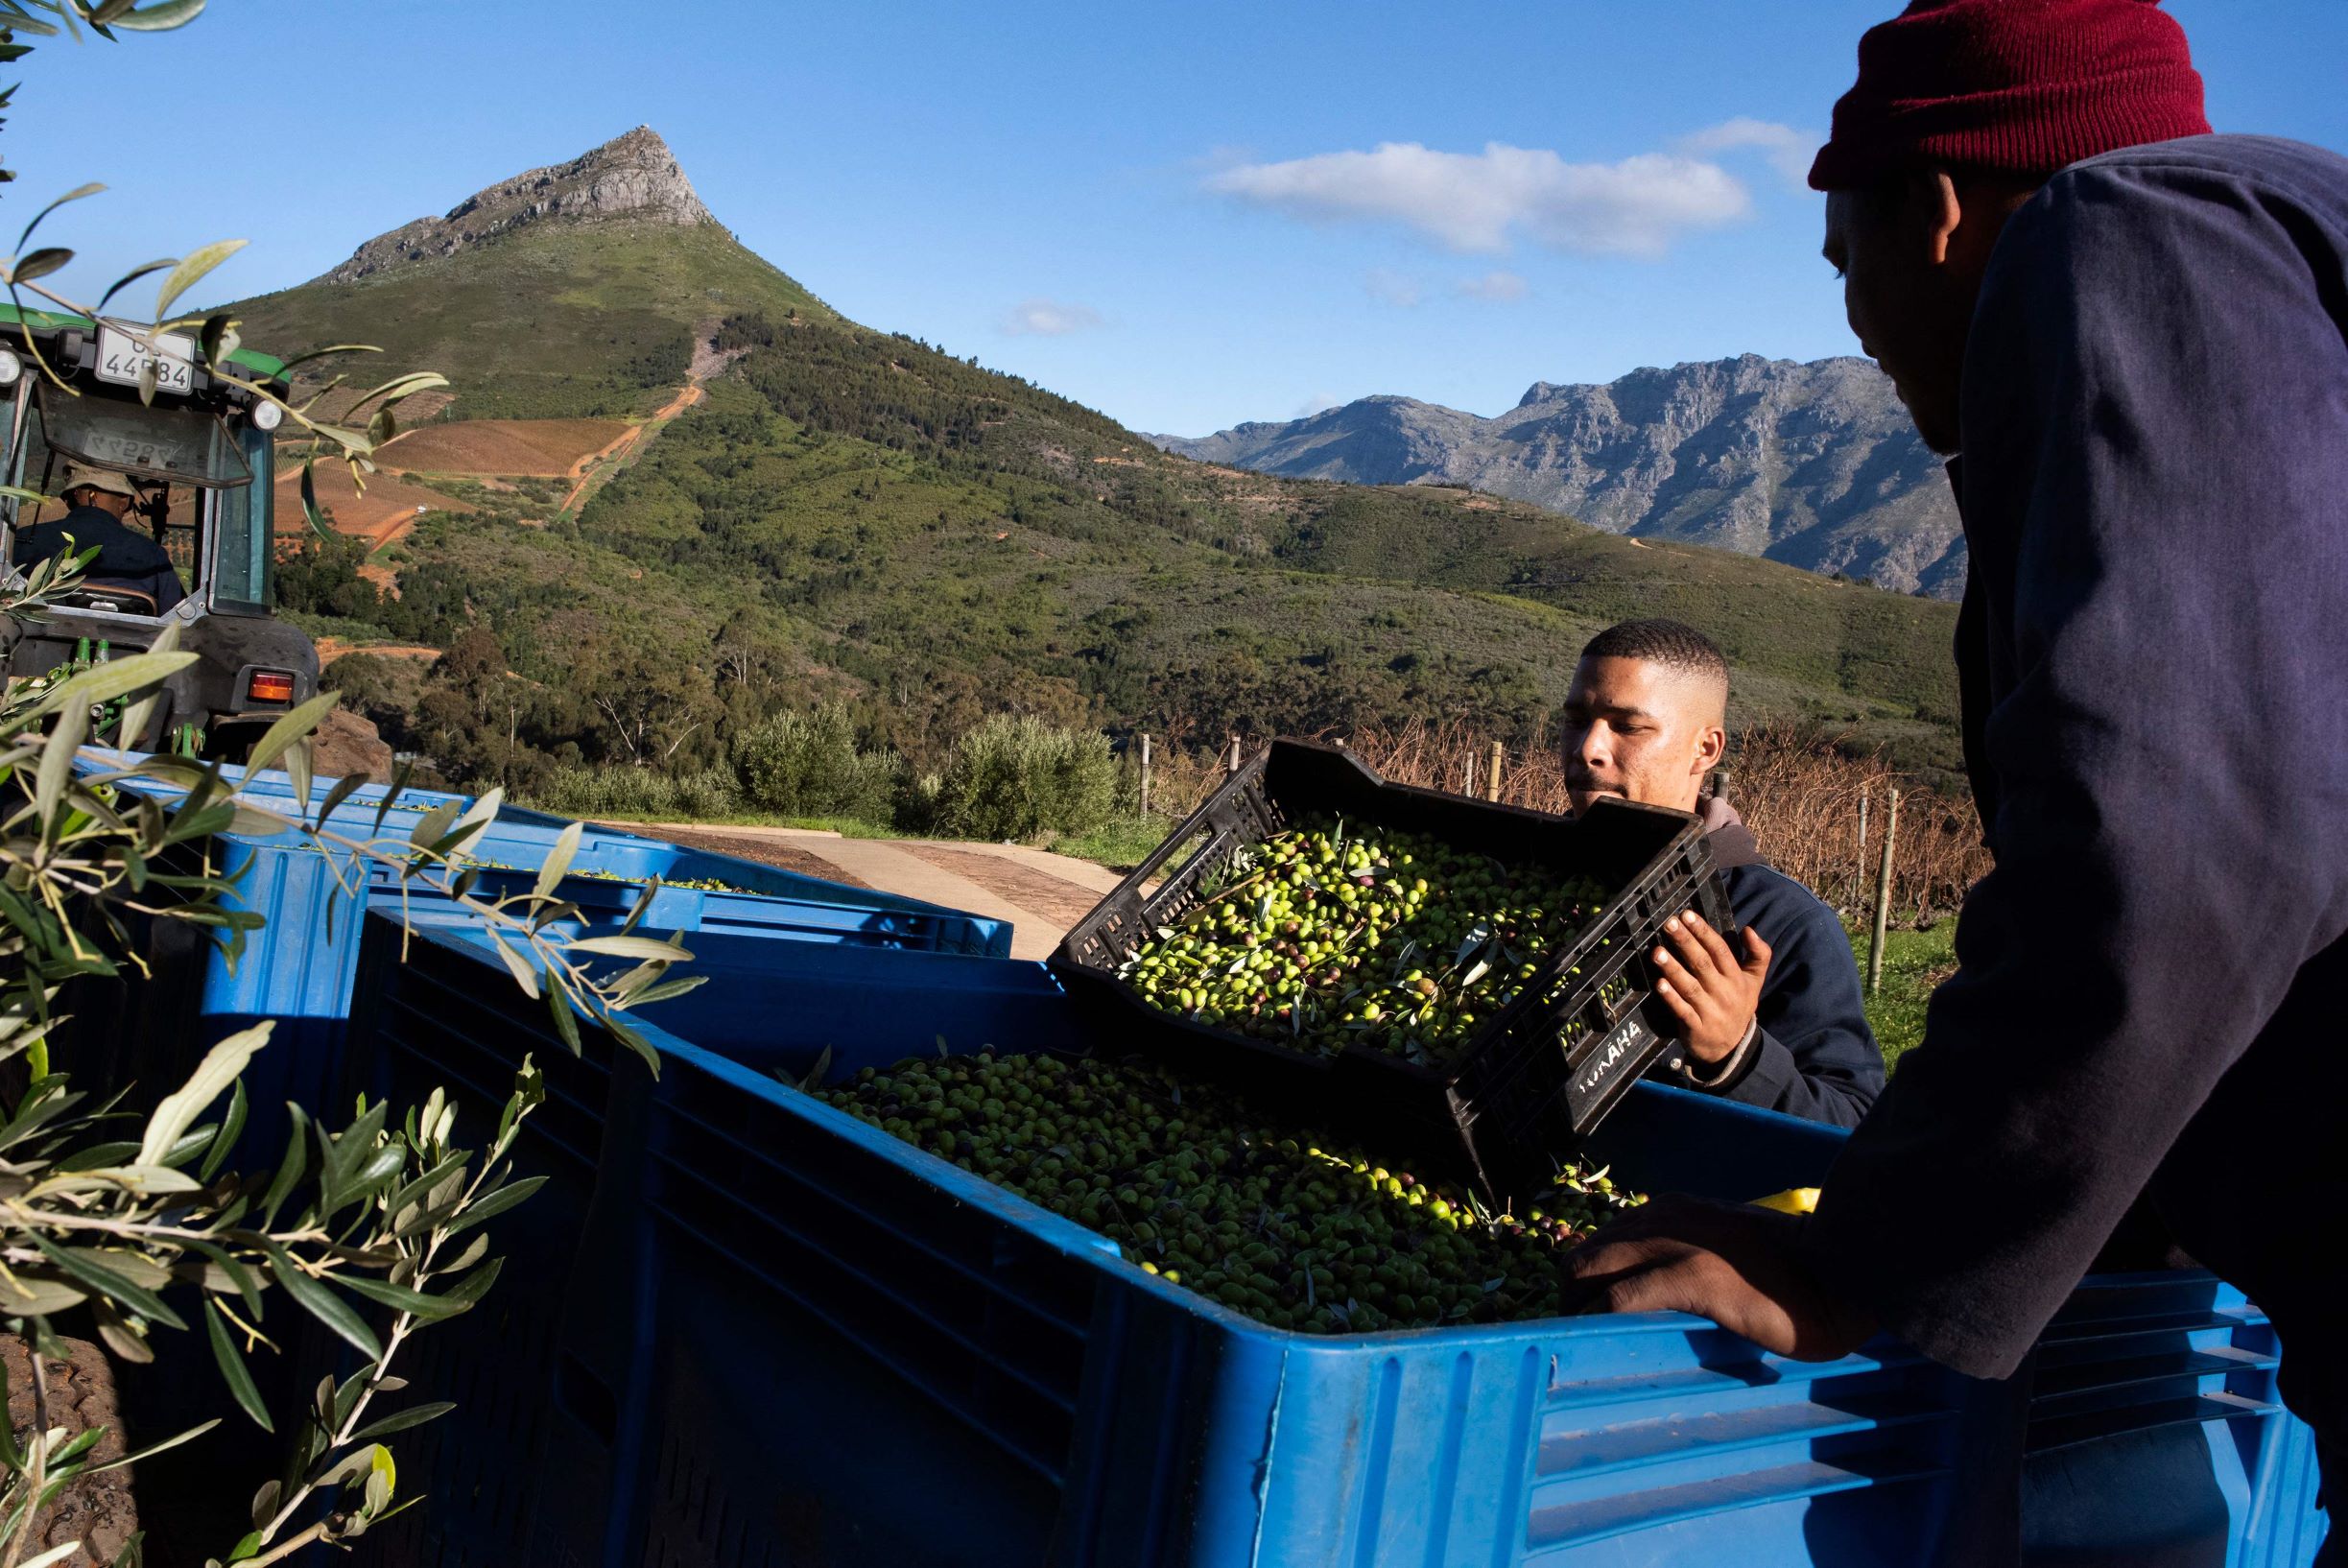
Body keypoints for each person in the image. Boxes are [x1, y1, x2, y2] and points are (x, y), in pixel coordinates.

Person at [1561, 0, 2348, 1547]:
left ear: (1932, 207)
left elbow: (2178, 850)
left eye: (1841, 255)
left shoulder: (2124, 226)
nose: (1848, 315)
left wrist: (1855, 1257)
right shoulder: (2286, 260)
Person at [1560, 618, 1884, 1127]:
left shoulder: (1782, 924)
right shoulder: (1522, 876)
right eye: (1576, 720)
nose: (1588, 749)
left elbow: (1854, 1126)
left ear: (1705, 749)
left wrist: (1738, 1054)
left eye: (1628, 727)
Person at [11, 464, 185, 612]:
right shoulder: (152, 555)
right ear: (124, 501)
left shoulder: (23, 540)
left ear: (69, 499)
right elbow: (175, 618)